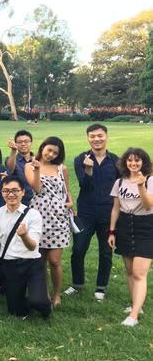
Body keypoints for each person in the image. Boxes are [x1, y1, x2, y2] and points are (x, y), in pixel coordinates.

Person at [66, 124, 119, 300]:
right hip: (86, 212)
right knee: (79, 249)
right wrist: (88, 168)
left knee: (105, 251)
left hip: (107, 212)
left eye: (100, 135)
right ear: (88, 138)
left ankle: (101, 287)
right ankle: (77, 283)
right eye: (92, 136)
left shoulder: (116, 161)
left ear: (106, 136)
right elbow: (84, 185)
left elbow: (121, 187)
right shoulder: (80, 159)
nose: (96, 139)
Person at [0, 177, 50, 319]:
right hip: (10, 265)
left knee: (38, 302)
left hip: (32, 263)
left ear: (23, 192)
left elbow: (32, 246)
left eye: (15, 190)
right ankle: (23, 301)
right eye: (6, 191)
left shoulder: (33, 215)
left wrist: (24, 236)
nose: (10, 194)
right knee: (15, 311)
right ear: (2, 193)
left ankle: (44, 304)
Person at [25, 137, 73, 307]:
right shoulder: (30, 165)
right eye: (49, 150)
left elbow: (66, 190)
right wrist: (37, 170)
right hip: (38, 216)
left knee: (55, 260)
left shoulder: (62, 168)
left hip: (58, 217)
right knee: (40, 260)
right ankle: (43, 292)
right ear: (43, 147)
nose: (51, 154)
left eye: (55, 153)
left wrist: (70, 202)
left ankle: (57, 294)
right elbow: (36, 189)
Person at [107, 147, 153, 327]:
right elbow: (116, 208)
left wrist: (141, 186)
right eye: (130, 160)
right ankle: (136, 305)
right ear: (125, 162)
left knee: (139, 273)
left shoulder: (149, 180)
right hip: (125, 226)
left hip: (146, 226)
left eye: (138, 160)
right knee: (129, 271)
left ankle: (133, 315)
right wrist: (111, 231)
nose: (133, 164)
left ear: (144, 162)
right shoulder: (119, 182)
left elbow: (148, 206)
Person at [5, 130, 34, 205]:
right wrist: (13, 151)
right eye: (20, 142)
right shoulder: (11, 159)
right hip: (21, 202)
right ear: (16, 144)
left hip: (39, 201)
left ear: (31, 143)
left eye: (26, 141)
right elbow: (10, 168)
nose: (23, 144)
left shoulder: (38, 160)